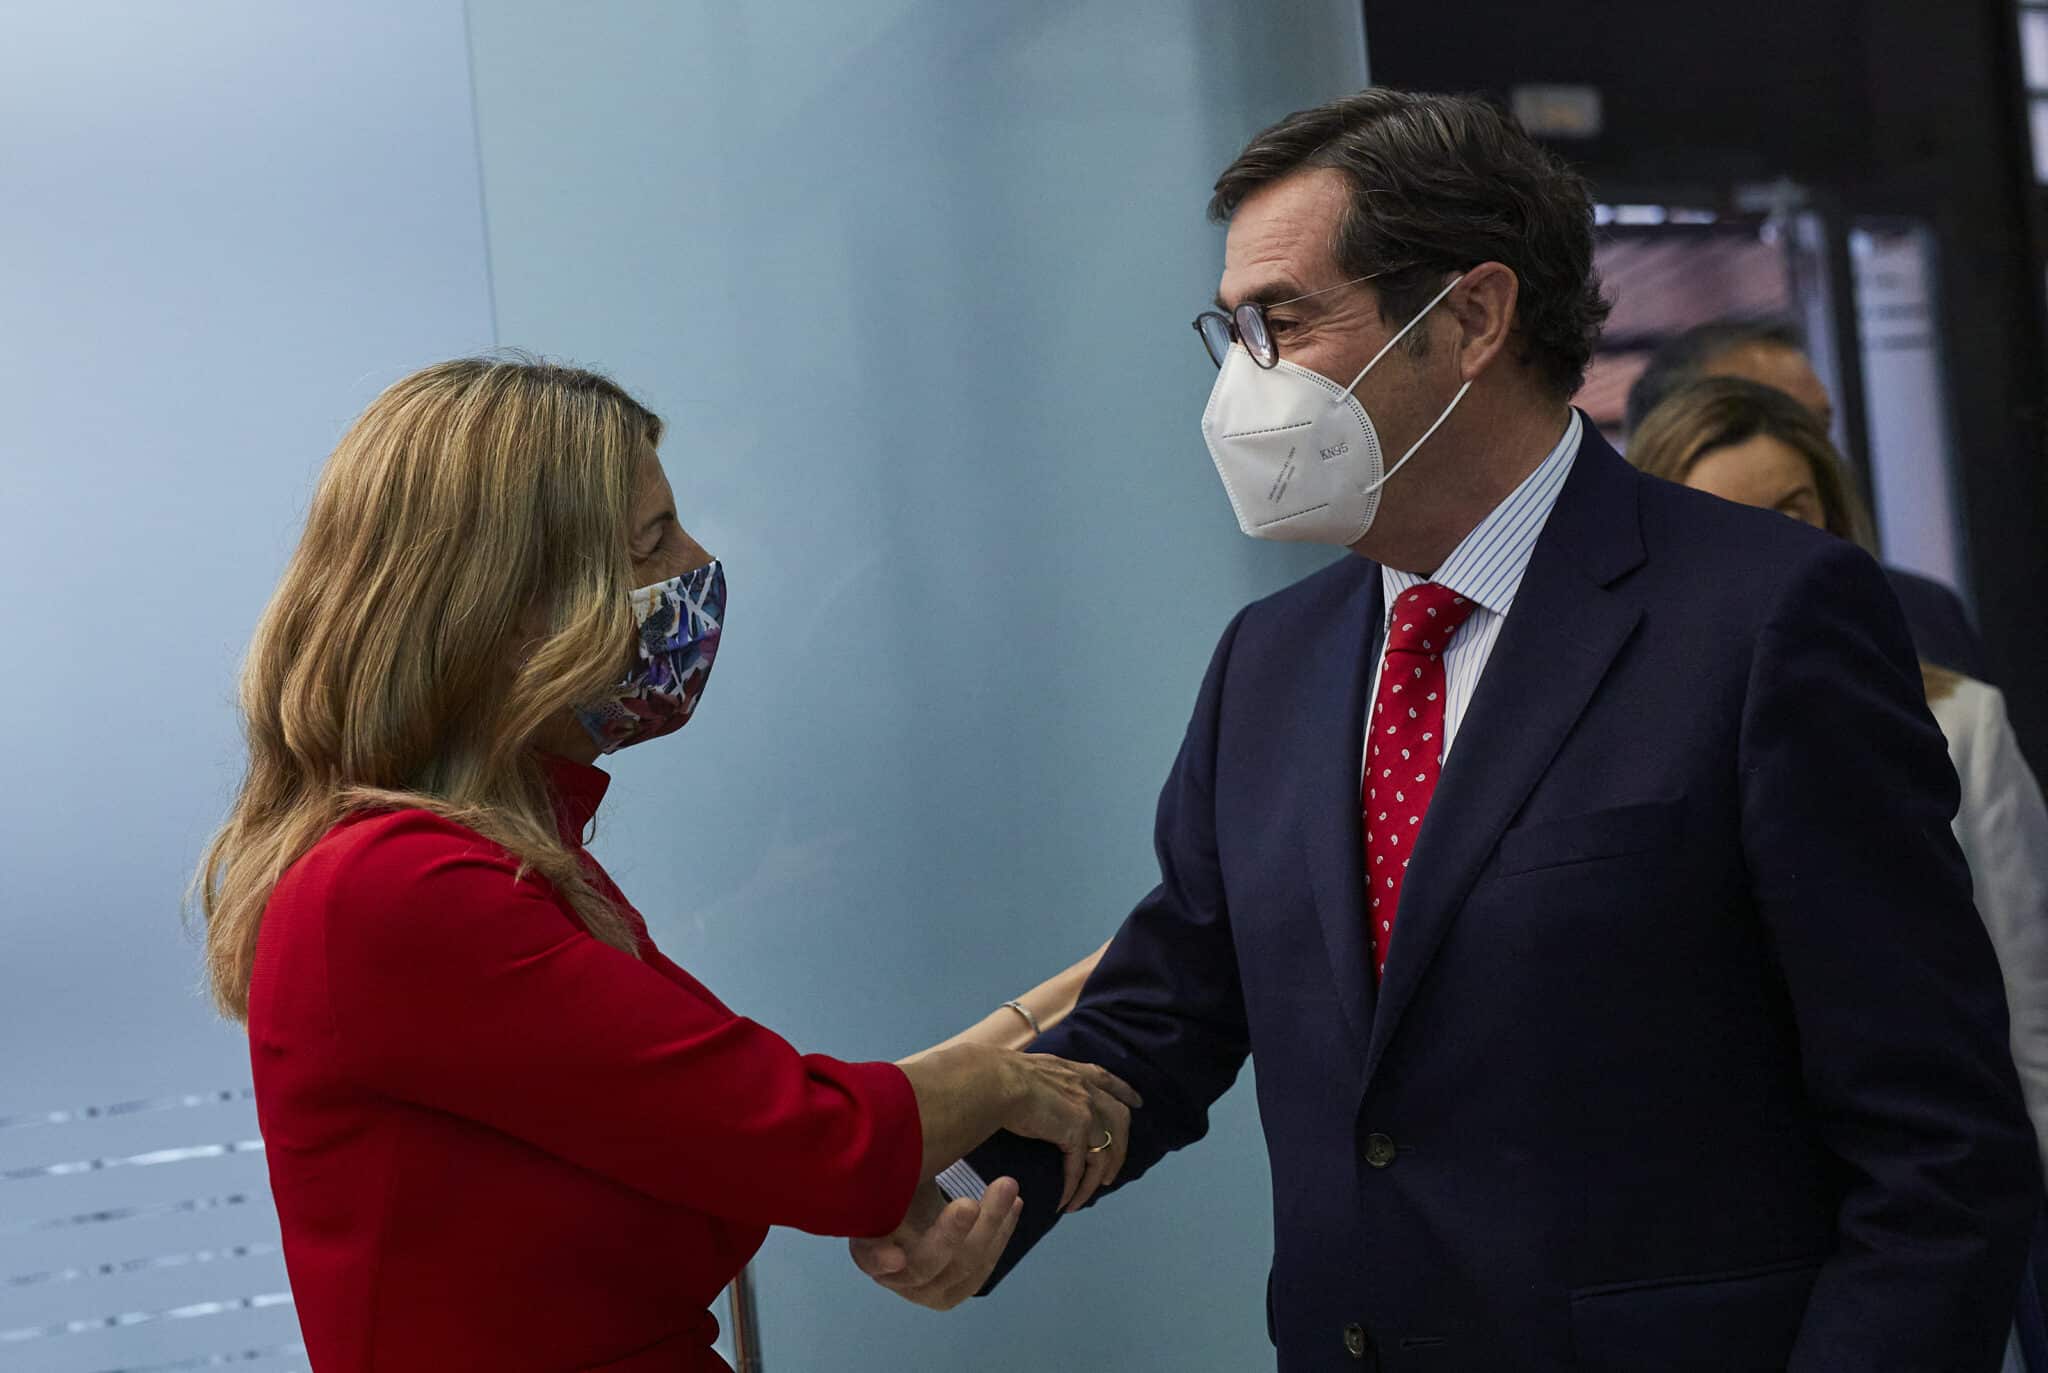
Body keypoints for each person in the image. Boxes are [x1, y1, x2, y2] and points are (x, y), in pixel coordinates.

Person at [851, 89, 2040, 1369]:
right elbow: (1173, 1004)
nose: (1240, 384)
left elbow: (1935, 1143)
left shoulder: (1761, 618)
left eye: (1282, 323)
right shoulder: (1271, 661)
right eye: (1229, 332)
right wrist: (973, 1188)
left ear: (1469, 316)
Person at [193, 357, 1140, 1372]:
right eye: (652, 541)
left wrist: (926, 1134)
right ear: (510, 605)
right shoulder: (398, 887)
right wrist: (977, 1093)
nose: (695, 562)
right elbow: (789, 1131)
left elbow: (735, 1122)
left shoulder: (497, 855)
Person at [1628, 375, 2048, 1181]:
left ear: (1835, 517)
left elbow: (2026, 1001)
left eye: (1793, 509)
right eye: (1730, 521)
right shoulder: (1627, 747)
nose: (1771, 546)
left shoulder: (1963, 720)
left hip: (1938, 1181)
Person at [1624, 317, 1988, 677]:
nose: (1813, 448)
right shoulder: (1610, 658)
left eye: (1820, 425)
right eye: (1748, 419)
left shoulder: (1924, 615)